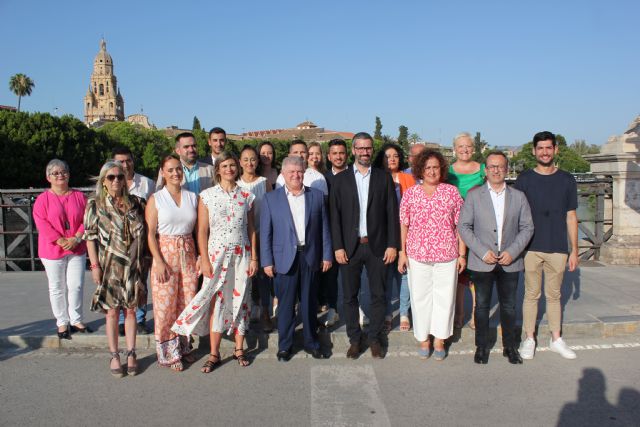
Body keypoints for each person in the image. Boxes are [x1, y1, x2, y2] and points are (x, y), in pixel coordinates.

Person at [172, 152, 258, 373]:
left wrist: (254, 257)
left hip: (242, 255)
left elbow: (251, 229)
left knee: (241, 301)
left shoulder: (246, 195)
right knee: (217, 303)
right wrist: (205, 259)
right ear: (217, 170)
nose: (229, 169)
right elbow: (201, 230)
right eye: (225, 166)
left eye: (232, 165)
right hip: (217, 256)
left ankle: (239, 349)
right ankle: (214, 352)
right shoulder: (207, 196)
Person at [458, 151, 534, 364]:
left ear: (507, 169)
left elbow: (527, 227)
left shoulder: (518, 196)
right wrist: (482, 251)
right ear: (486, 170)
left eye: (500, 166)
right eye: (492, 166)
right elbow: (463, 226)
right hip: (482, 261)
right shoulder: (474, 195)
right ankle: (481, 347)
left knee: (509, 307)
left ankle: (510, 347)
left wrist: (514, 251)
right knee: (481, 307)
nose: (496, 170)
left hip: (510, 261)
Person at [330, 132, 399, 359]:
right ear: (353, 150)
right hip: (350, 248)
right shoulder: (340, 180)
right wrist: (338, 247)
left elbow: (391, 213)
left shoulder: (383, 178)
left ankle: (375, 338)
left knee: (379, 295)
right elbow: (335, 216)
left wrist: (392, 244)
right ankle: (355, 339)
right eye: (360, 148)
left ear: (372, 149)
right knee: (350, 296)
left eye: (368, 148)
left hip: (378, 246)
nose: (364, 152)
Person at [514, 131, 579, 360]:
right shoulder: (524, 180)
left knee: (554, 295)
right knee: (531, 294)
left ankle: (556, 339)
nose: (544, 152)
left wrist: (574, 250)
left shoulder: (566, 179)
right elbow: (517, 215)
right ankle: (529, 338)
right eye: (540, 148)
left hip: (558, 246)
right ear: (534, 151)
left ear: (555, 150)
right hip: (531, 246)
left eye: (548, 148)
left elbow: (571, 216)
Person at [261, 156, 333, 361]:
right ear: (283, 174)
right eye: (291, 171)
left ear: (304, 173)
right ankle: (285, 345)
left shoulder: (316, 196)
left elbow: (324, 229)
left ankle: (312, 343)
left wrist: (327, 254)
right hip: (284, 259)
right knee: (285, 305)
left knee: (310, 303)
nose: (295, 175)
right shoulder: (271, 199)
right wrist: (267, 261)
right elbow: (266, 232)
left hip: (310, 257)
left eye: (299, 171)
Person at [398, 150, 464, 361]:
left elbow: (460, 226)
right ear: (420, 170)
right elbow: (404, 224)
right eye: (428, 167)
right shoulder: (411, 193)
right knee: (420, 297)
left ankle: (440, 339)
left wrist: (462, 254)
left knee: (444, 298)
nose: (432, 171)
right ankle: (424, 337)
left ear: (442, 169)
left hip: (447, 254)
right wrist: (403, 252)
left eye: (436, 167)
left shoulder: (451, 192)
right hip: (417, 254)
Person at [84, 161, 147, 377]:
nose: (116, 181)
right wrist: (94, 266)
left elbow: (147, 234)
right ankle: (114, 355)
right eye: (111, 177)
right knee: (112, 313)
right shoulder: (95, 204)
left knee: (131, 310)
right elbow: (90, 238)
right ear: (103, 180)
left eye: (120, 176)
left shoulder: (137, 203)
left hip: (133, 265)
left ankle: (131, 352)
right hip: (109, 265)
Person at [146, 154, 199, 371]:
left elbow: (198, 230)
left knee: (186, 302)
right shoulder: (156, 199)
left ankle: (183, 346)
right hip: (165, 253)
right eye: (170, 170)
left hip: (188, 252)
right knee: (165, 306)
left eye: (178, 169)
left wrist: (200, 256)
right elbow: (150, 233)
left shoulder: (193, 197)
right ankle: (168, 353)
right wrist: (158, 261)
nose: (176, 173)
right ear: (163, 173)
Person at [33, 159, 91, 339]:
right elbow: (42, 223)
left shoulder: (80, 197)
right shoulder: (43, 200)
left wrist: (76, 237)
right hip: (52, 250)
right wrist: (59, 240)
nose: (60, 175)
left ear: (69, 174)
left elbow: (87, 219)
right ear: (48, 177)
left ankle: (76, 319)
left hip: (76, 246)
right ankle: (62, 322)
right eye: (55, 173)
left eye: (63, 172)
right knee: (56, 287)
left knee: (76, 285)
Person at [373, 143, 415, 333]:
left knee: (404, 274)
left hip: (406, 232)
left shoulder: (408, 178)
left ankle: (404, 312)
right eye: (388, 155)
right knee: (385, 275)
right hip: (383, 233)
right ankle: (388, 313)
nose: (392, 159)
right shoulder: (376, 177)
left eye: (396, 155)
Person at [113, 146, 155, 335]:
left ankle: (139, 318)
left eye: (128, 160)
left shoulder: (146, 183)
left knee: (140, 282)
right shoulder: (110, 182)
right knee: (121, 281)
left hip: (141, 241)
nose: (125, 164)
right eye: (120, 161)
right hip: (118, 242)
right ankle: (122, 320)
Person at [448, 132, 485, 330]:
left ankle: (476, 314)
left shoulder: (482, 170)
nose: (464, 150)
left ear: (474, 148)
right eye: (460, 146)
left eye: (468, 146)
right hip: (454, 227)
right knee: (458, 272)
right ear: (455, 148)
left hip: (478, 227)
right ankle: (459, 313)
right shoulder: (448, 171)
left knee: (477, 273)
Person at [237, 145, 273, 332]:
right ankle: (246, 314)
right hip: (241, 237)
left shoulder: (264, 182)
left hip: (262, 233)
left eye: (253, 159)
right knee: (244, 277)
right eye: (246, 159)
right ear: (240, 162)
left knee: (263, 276)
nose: (250, 163)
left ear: (257, 161)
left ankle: (266, 313)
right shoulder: (235, 183)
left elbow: (270, 210)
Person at [319, 139, 349, 327]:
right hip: (330, 233)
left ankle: (357, 307)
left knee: (352, 275)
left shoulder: (356, 176)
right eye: (334, 153)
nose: (338, 156)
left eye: (341, 153)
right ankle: (333, 309)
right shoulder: (323, 179)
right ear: (329, 156)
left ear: (347, 154)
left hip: (351, 233)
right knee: (330, 276)